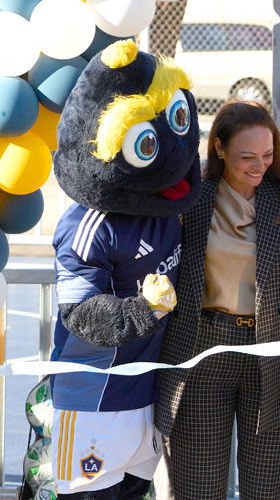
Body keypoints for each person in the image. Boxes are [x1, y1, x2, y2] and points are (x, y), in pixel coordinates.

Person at [47, 40, 202, 500]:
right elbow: (79, 312)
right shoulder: (90, 225)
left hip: (148, 398)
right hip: (93, 401)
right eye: (149, 143)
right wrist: (143, 309)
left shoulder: (168, 205)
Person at [155, 101, 280, 498]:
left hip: (275, 355)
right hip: (202, 351)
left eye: (268, 155)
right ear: (219, 148)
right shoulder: (193, 198)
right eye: (246, 157)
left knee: (267, 489)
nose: (259, 165)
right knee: (198, 488)